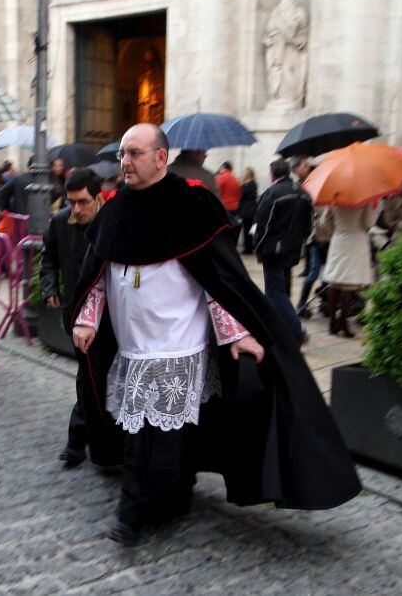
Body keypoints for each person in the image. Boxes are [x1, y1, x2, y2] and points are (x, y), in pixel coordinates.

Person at [70, 123, 360, 546]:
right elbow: (99, 274)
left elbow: (217, 281)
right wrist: (88, 318)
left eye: (134, 153)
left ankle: (139, 510)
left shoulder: (192, 205)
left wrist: (237, 333)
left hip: (178, 344)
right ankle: (161, 498)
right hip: (132, 346)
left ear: (160, 157)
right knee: (140, 428)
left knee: (162, 435)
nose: (125, 162)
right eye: (123, 155)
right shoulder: (112, 210)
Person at [40, 169, 122, 469]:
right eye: (71, 202)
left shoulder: (114, 221)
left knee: (99, 378)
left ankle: (96, 441)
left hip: (113, 316)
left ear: (98, 197)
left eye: (83, 202)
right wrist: (49, 286)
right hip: (76, 314)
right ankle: (79, 442)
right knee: (89, 376)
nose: (76, 208)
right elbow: (48, 256)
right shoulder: (61, 222)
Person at [253, 158, 313, 345]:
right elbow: (308, 225)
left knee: (275, 291)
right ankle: (277, 327)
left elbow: (263, 224)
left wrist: (259, 246)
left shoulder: (272, 193)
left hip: (274, 249)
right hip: (292, 248)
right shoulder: (303, 193)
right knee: (281, 288)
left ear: (273, 175)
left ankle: (296, 330)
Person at [321, 201, 376, 338]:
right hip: (356, 240)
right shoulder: (363, 199)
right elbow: (369, 223)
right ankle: (343, 321)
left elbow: (324, 221)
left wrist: (336, 230)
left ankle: (333, 319)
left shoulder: (335, 198)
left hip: (339, 239)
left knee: (334, 281)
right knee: (349, 284)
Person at [215, 162, 242, 243]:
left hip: (224, 207)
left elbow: (216, 192)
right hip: (235, 207)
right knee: (233, 229)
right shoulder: (236, 179)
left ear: (223, 167)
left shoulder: (221, 177)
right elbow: (239, 194)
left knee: (223, 231)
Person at [237, 167, 258, 255]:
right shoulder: (252, 184)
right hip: (250, 209)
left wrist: (240, 185)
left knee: (247, 231)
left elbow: (241, 194)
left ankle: (248, 249)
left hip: (248, 210)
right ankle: (249, 247)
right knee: (248, 231)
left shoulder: (249, 184)